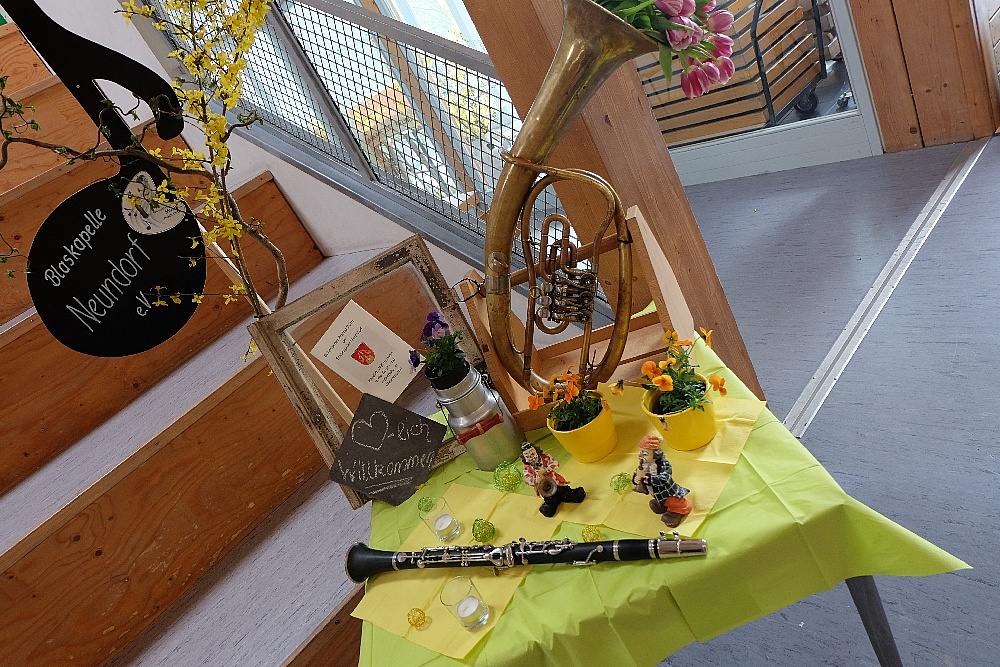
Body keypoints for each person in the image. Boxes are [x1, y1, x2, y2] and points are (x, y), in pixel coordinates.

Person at [632, 435, 693, 527]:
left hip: (667, 492)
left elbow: (664, 478)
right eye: (641, 452)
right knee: (659, 500)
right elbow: (637, 473)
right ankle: (662, 505)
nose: (641, 455)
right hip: (655, 492)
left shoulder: (663, 464)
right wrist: (636, 478)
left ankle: (678, 511)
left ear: (655, 453)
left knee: (674, 502)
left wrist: (647, 477)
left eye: (645, 454)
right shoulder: (644, 464)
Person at [521, 442, 586, 517]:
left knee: (564, 491)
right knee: (549, 501)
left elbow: (556, 464)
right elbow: (527, 480)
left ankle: (569, 495)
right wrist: (535, 481)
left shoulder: (545, 457)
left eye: (532, 453)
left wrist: (545, 470)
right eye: (527, 455)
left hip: (556, 482)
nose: (530, 456)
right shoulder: (527, 468)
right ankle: (551, 504)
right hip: (545, 489)